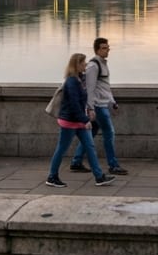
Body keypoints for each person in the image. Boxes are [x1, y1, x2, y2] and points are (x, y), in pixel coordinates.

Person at [46, 53, 115, 188]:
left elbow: (81, 101)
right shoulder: (72, 82)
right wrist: (85, 120)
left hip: (78, 121)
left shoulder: (79, 79)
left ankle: (99, 177)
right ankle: (52, 176)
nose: (86, 65)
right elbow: (74, 104)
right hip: (70, 122)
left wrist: (88, 110)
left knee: (90, 147)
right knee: (61, 149)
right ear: (77, 65)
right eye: (83, 63)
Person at [70, 37, 127, 176]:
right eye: (104, 48)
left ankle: (76, 162)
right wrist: (90, 108)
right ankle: (113, 165)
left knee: (91, 133)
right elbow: (90, 89)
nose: (107, 50)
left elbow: (104, 87)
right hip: (97, 106)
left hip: (102, 104)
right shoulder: (93, 66)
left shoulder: (102, 64)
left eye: (108, 48)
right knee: (109, 133)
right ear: (97, 50)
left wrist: (112, 102)